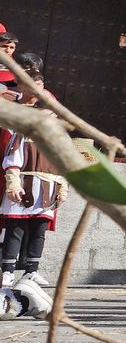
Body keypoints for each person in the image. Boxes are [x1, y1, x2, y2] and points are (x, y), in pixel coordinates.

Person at [1, 54, 63, 289]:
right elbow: (13, 156)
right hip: (21, 181)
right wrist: (13, 183)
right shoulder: (21, 128)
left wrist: (62, 186)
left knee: (38, 230)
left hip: (45, 186)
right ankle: (7, 271)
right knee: (14, 229)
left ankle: (31, 271)